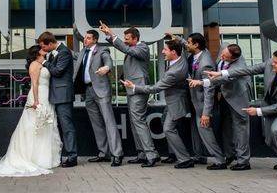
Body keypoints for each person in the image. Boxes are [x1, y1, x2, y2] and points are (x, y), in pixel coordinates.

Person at [0, 45, 61, 177]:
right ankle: (33, 157)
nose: (44, 50)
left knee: (45, 126)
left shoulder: (43, 63)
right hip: (38, 97)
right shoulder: (34, 65)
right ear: (37, 52)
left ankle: (45, 157)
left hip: (46, 95)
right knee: (33, 126)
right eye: (41, 49)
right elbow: (35, 84)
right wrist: (36, 101)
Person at [206, 49, 277, 180]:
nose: (272, 64)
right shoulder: (270, 64)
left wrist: (257, 111)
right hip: (269, 105)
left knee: (276, 130)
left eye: (276, 63)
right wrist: (222, 73)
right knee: (269, 139)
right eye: (272, 61)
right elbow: (248, 70)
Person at [121, 39, 193, 169]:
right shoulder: (181, 57)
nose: (162, 51)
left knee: (168, 128)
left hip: (176, 102)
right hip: (172, 101)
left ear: (174, 52)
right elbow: (185, 46)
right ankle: (174, 155)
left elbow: (155, 88)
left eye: (165, 49)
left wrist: (135, 87)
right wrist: (177, 38)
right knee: (167, 124)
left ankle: (185, 159)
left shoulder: (174, 72)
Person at [99, 22, 160, 167]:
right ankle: (142, 154)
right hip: (130, 89)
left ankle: (151, 154)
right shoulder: (132, 47)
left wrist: (112, 35)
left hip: (138, 89)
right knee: (135, 122)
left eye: (127, 38)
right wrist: (108, 35)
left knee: (138, 121)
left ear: (135, 38)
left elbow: (127, 50)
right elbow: (126, 49)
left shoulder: (142, 47)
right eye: (124, 38)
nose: (125, 40)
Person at [189, 44, 252, 170]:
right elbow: (194, 44)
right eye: (222, 53)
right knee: (226, 127)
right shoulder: (225, 48)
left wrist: (202, 82)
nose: (221, 57)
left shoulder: (238, 68)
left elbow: (221, 79)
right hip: (225, 97)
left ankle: (243, 161)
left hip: (238, 98)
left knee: (240, 129)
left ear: (233, 59)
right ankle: (230, 154)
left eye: (225, 57)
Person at [73, 30, 123, 167]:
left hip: (101, 91)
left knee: (109, 122)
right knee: (97, 124)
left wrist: (106, 68)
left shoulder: (102, 50)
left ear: (95, 40)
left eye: (88, 38)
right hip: (88, 91)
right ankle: (103, 153)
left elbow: (108, 61)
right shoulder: (83, 52)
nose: (85, 40)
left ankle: (117, 154)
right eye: (85, 38)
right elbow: (74, 56)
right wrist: (58, 47)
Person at [181, 33, 226, 170]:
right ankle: (199, 156)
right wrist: (176, 38)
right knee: (196, 131)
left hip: (202, 104)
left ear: (196, 45)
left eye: (189, 42)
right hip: (194, 101)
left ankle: (219, 160)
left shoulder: (206, 63)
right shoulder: (197, 54)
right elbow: (186, 45)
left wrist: (206, 113)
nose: (186, 44)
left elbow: (209, 90)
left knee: (205, 130)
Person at [39, 31, 78, 167]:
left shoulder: (64, 52)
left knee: (67, 126)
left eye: (43, 47)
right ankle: (62, 154)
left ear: (50, 44)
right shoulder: (52, 54)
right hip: (54, 95)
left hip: (63, 95)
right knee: (59, 126)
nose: (42, 49)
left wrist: (44, 61)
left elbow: (57, 71)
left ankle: (72, 156)